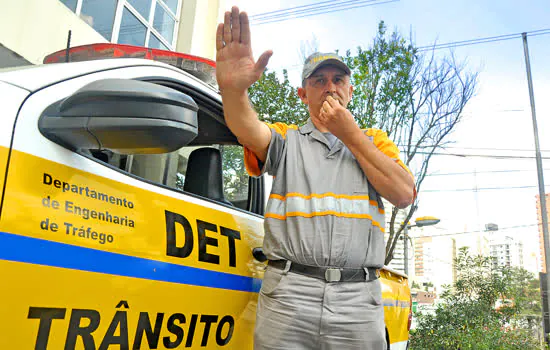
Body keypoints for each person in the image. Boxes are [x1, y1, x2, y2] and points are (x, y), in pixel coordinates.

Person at [216, 6, 415, 350]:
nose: (329, 87)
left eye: (338, 80)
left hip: (358, 298)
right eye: (318, 81)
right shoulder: (287, 139)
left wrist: (349, 132)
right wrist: (233, 91)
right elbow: (245, 126)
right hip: (289, 293)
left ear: (350, 91)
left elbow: (403, 193)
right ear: (302, 93)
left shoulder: (374, 142)